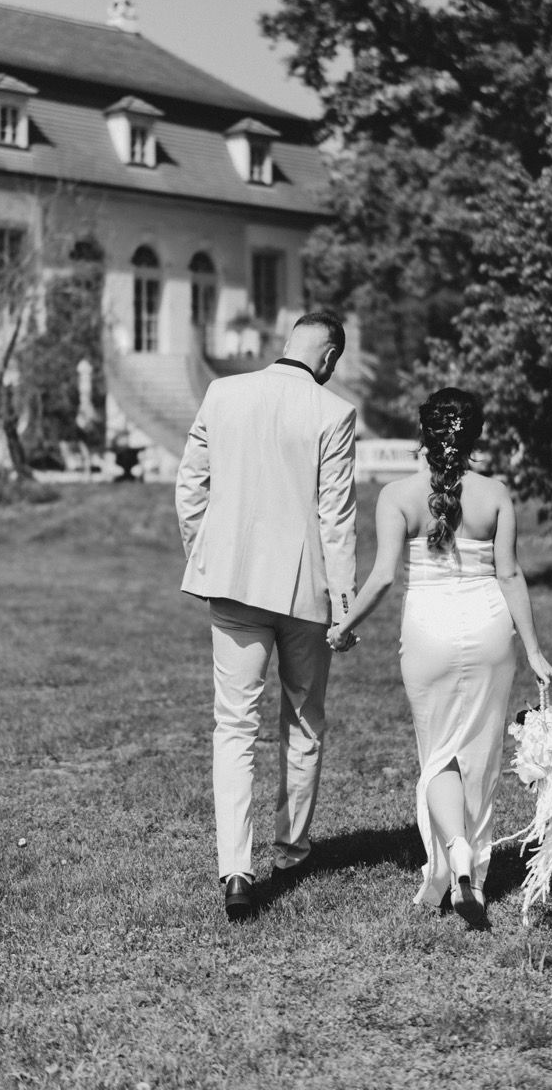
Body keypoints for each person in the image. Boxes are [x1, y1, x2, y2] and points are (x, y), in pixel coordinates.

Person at [328, 387, 552, 924]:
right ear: (475, 436)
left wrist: (343, 626)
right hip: (490, 630)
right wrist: (534, 649)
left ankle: (452, 854)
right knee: (479, 757)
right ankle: (470, 873)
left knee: (437, 757)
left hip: (428, 630)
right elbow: (509, 573)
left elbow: (384, 576)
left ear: (423, 433)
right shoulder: (496, 494)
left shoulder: (396, 495)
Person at [176, 311, 358, 923]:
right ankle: (291, 851)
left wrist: (207, 556)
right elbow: (336, 518)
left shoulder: (223, 393)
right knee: (303, 719)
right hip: (305, 594)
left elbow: (190, 488)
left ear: (290, 341)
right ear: (328, 357)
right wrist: (344, 605)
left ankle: (235, 869)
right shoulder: (333, 412)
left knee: (233, 725)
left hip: (232, 585)